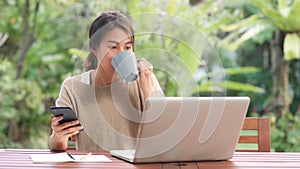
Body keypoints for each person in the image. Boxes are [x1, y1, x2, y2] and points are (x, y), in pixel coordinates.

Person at [49, 11, 164, 151]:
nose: (121, 54)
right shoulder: (73, 87)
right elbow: (57, 147)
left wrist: (147, 92)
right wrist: (59, 136)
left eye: (127, 47)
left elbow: (162, 136)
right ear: (94, 48)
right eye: (113, 47)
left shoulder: (146, 80)